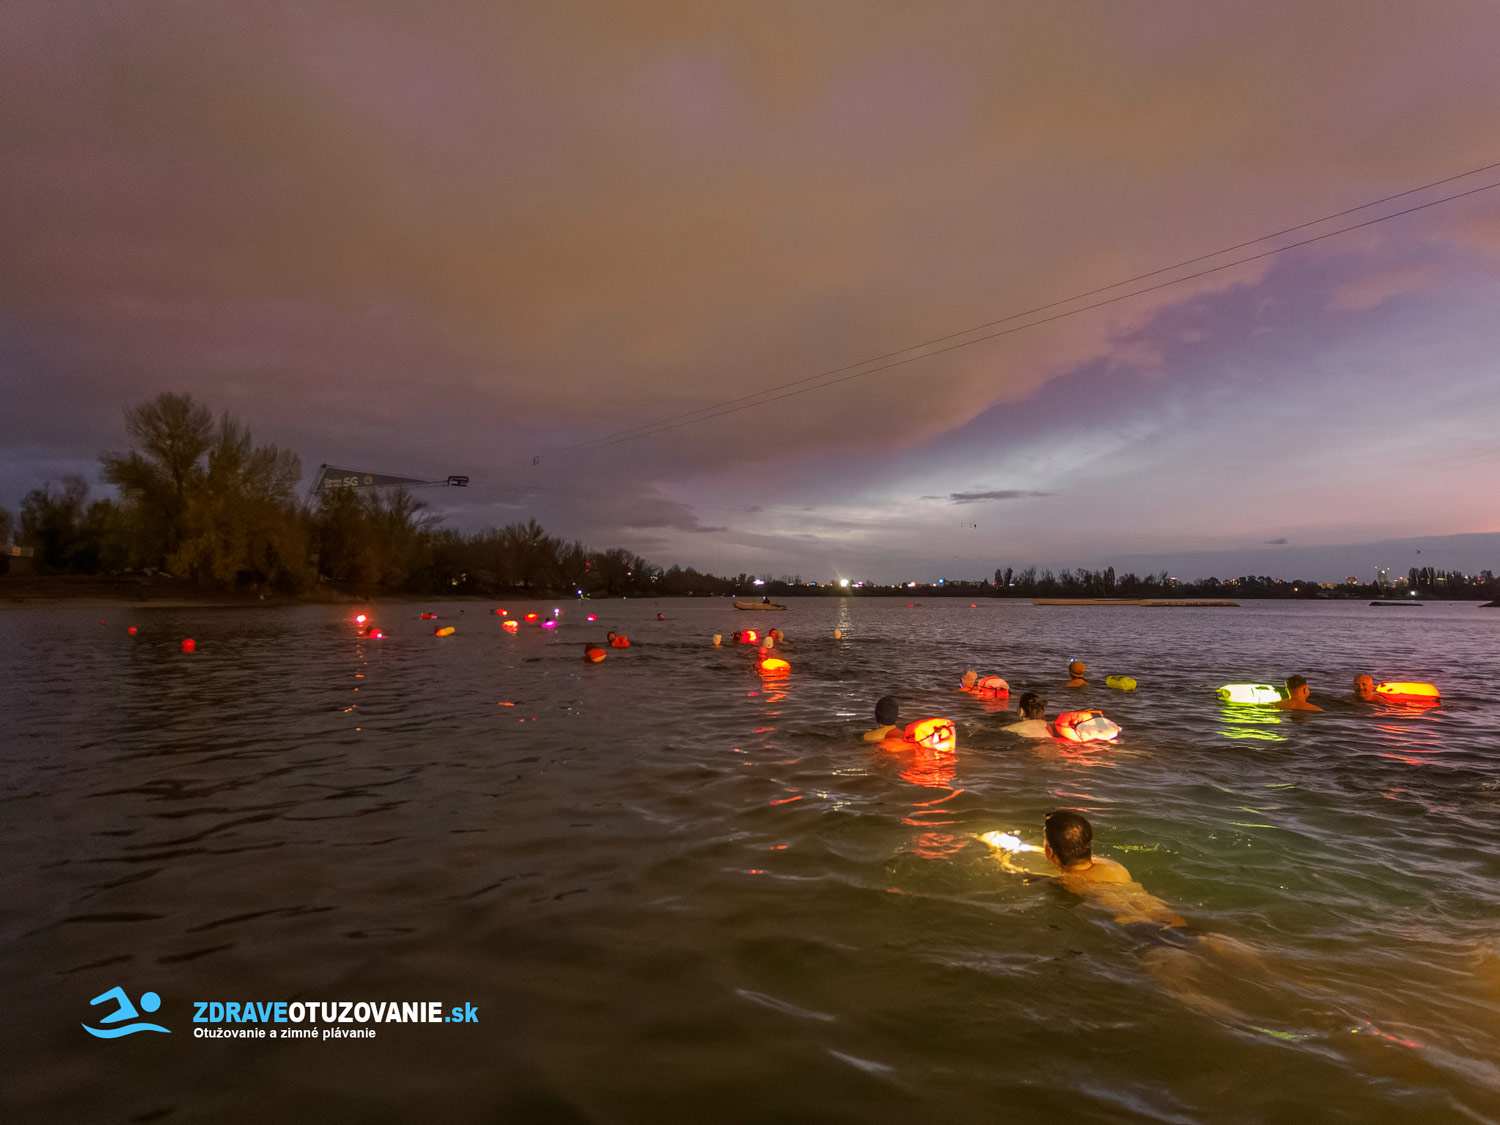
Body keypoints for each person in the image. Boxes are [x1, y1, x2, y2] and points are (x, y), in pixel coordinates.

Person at [1037, 811, 1184, 927]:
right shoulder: (1112, 866)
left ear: (1049, 852)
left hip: (1137, 930)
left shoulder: (1069, 881)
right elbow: (1073, 849)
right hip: (1168, 918)